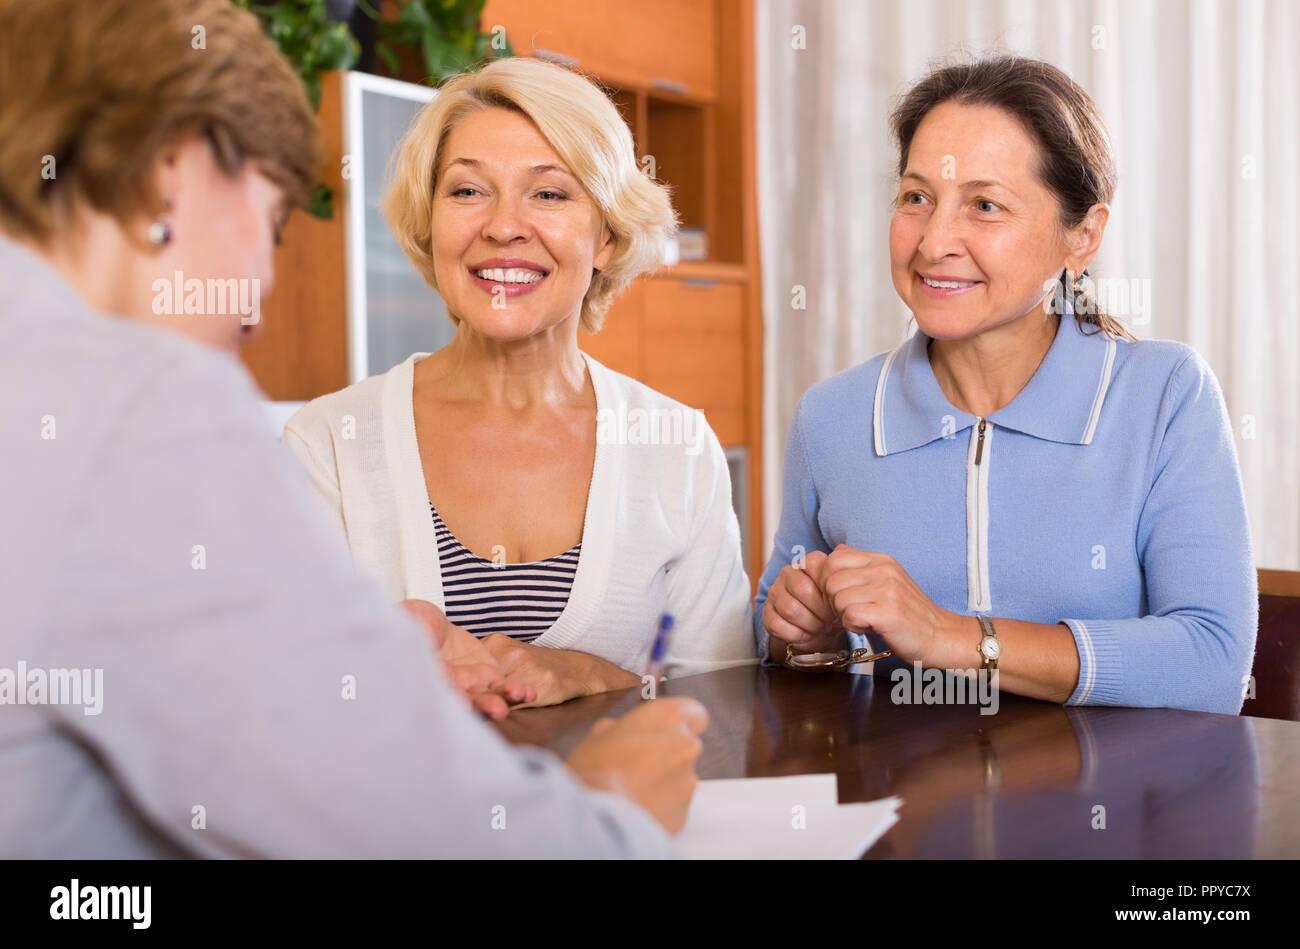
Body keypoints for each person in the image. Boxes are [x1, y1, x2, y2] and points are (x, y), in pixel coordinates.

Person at [0, 0, 707, 858]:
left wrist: (348, 664)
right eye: (272, 226)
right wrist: (611, 810)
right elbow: (389, 826)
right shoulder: (137, 400)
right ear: (172, 177)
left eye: (550, 191)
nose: (257, 303)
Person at [756, 56, 1256, 715]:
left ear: (1083, 236)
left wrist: (955, 637)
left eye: (984, 206)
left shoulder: (1166, 395)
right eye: (916, 198)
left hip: (1110, 805)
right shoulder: (831, 417)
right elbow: (773, 637)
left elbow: (1212, 664)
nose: (934, 241)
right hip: (906, 803)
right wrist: (802, 631)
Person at [284, 57, 757, 708]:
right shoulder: (325, 445)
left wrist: (594, 676)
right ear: (430, 221)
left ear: (609, 237)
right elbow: (279, 713)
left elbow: (726, 708)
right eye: (468, 191)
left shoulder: (678, 446)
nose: (503, 226)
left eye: (550, 193)